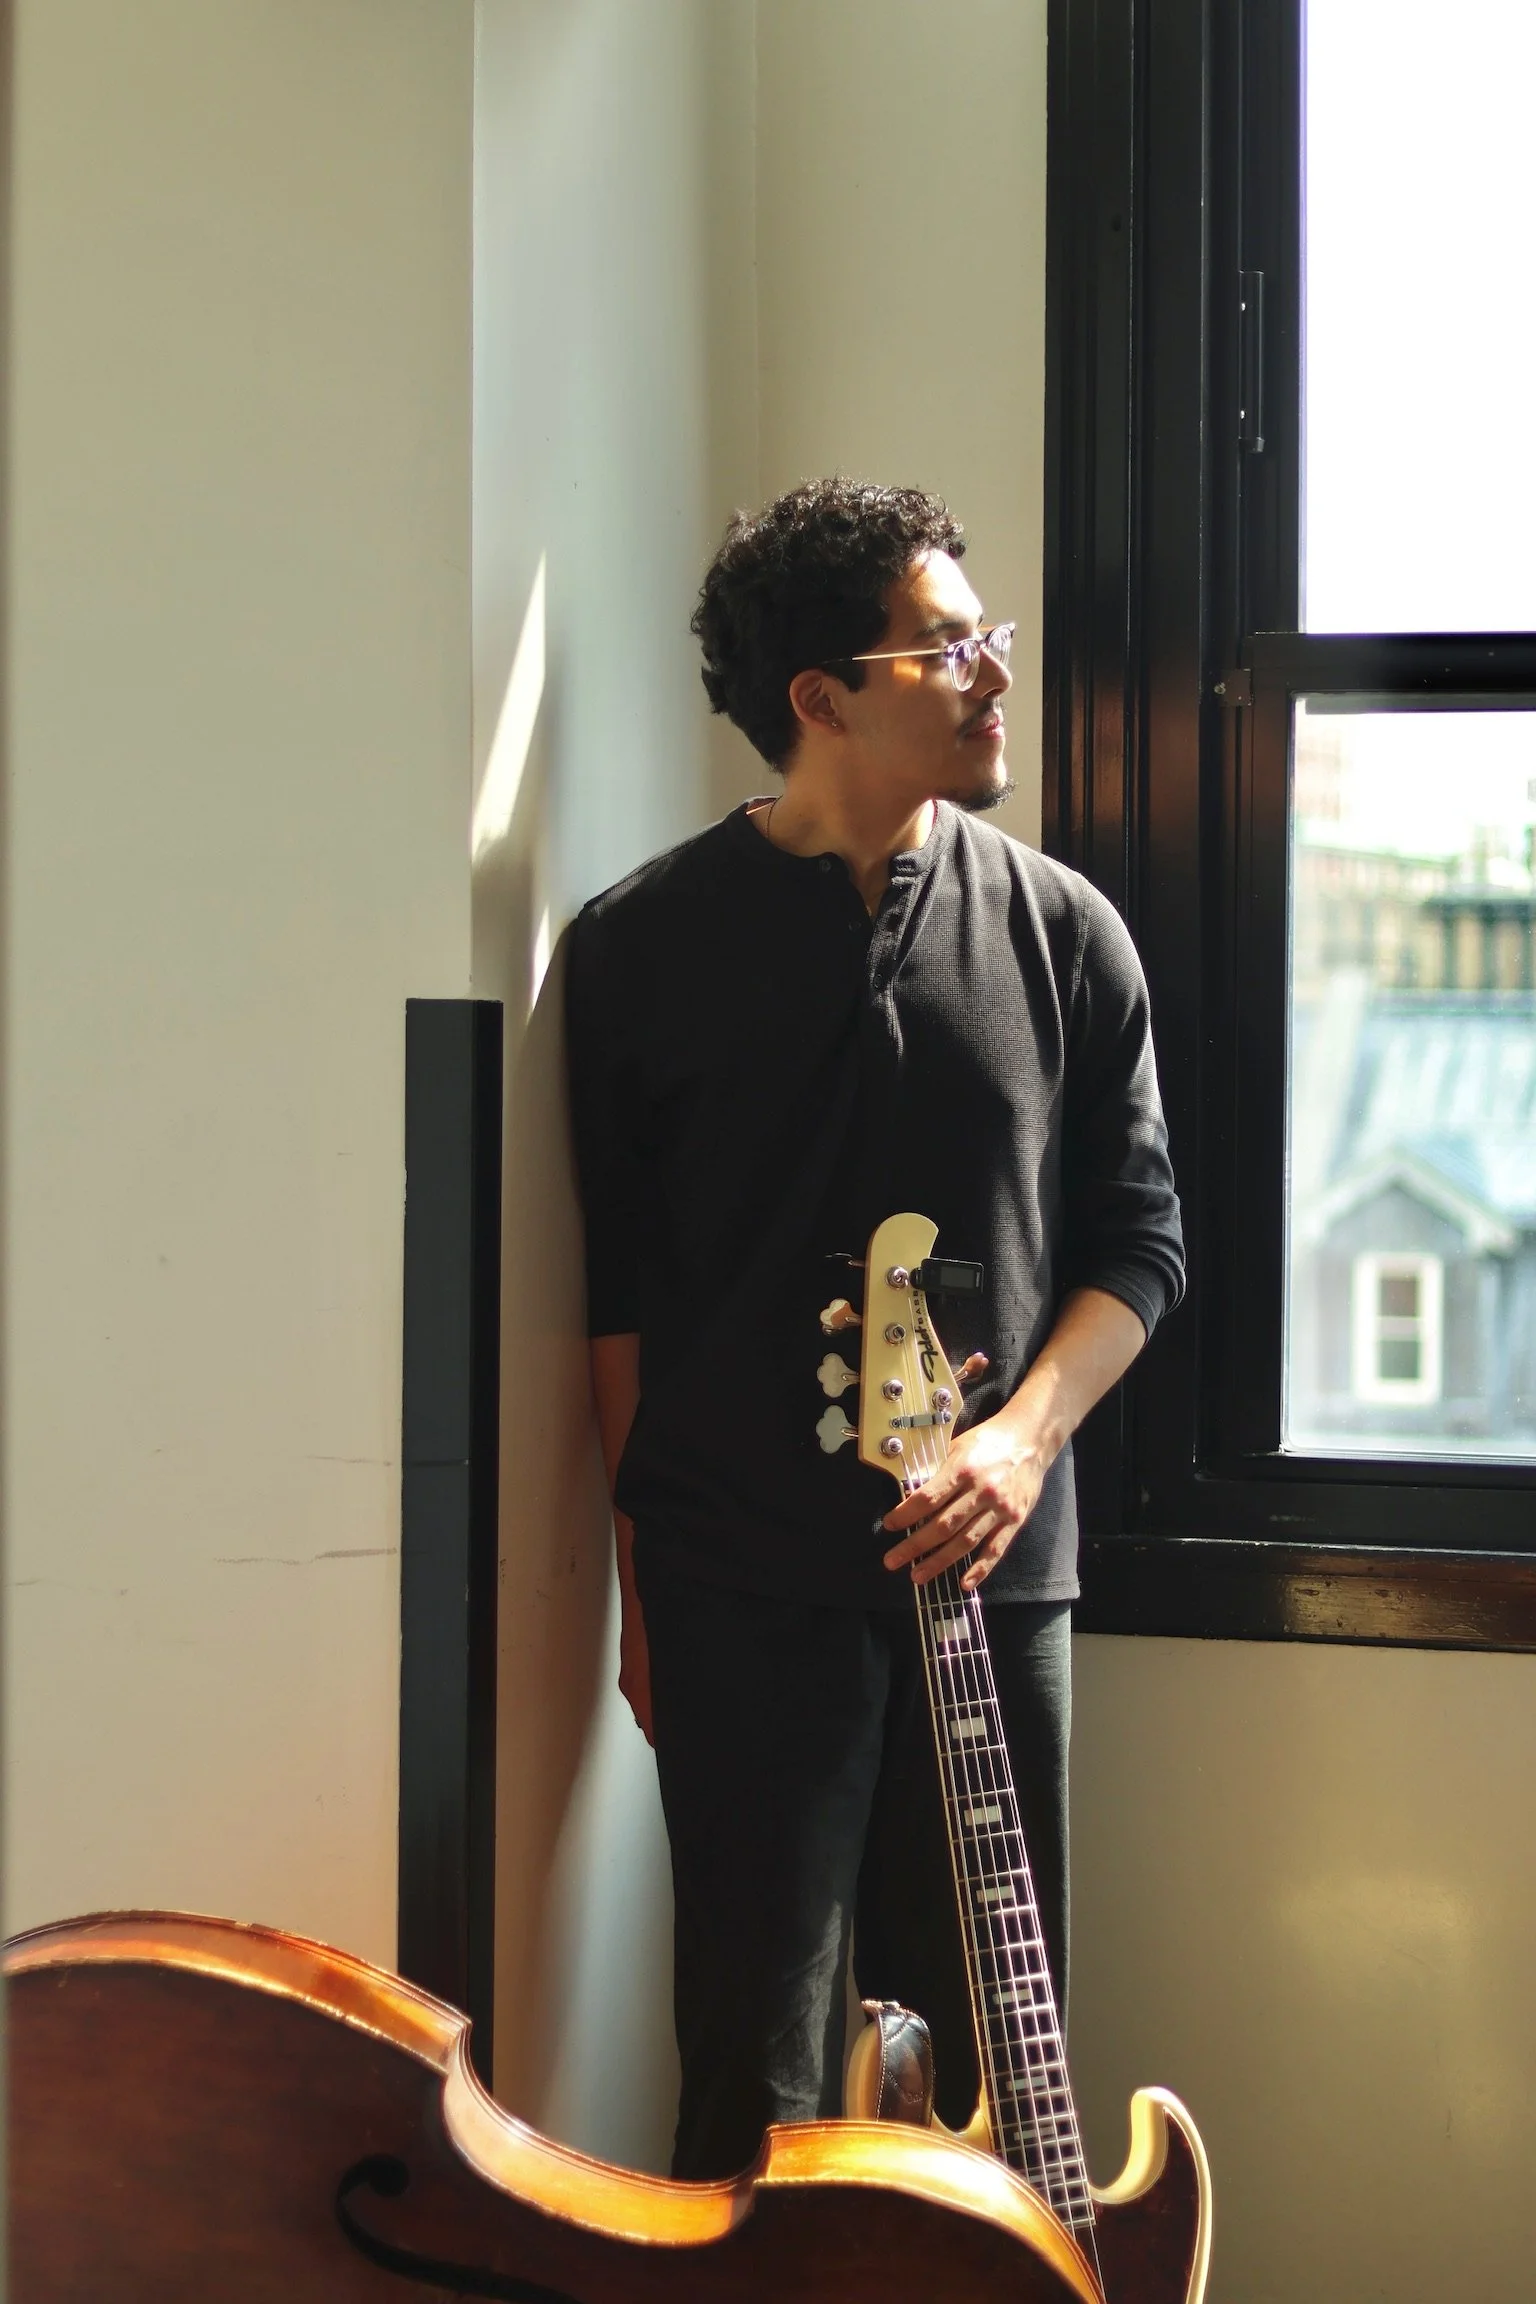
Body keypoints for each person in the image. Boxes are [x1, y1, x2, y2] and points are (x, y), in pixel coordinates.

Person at [565, 478, 1183, 2181]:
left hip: (995, 1573)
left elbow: (1140, 1252)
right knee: (752, 2088)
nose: (995, 670)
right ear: (820, 698)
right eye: (947, 643)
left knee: (994, 2072)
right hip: (737, 1591)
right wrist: (643, 1593)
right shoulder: (632, 952)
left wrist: (1016, 1445)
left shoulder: (1069, 936)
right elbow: (618, 1313)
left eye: (988, 636)